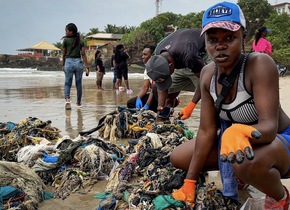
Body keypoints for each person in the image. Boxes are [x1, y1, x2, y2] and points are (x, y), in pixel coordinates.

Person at [170, 2, 290, 209]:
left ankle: (280, 196)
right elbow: (207, 131)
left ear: (243, 36)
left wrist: (237, 131)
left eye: (229, 38)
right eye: (213, 40)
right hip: (246, 145)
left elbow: (269, 128)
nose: (220, 46)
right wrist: (189, 181)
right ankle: (242, 173)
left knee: (243, 162)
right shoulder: (208, 74)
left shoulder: (259, 65)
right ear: (205, 43)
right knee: (178, 158)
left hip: (279, 142)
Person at [145, 28, 209, 120]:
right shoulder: (157, 54)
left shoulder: (189, 56)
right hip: (179, 60)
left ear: (171, 66)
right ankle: (166, 116)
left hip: (201, 56)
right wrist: (160, 106)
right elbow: (161, 87)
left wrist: (191, 105)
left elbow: (204, 81)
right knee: (159, 91)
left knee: (210, 93)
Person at [62, 23, 89, 110]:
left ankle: (67, 100)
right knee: (78, 84)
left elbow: (64, 54)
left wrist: (63, 65)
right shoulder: (80, 41)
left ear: (71, 32)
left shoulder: (65, 41)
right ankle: (78, 103)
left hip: (68, 62)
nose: (65, 32)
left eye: (67, 31)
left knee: (67, 83)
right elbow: (83, 55)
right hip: (78, 62)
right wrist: (87, 66)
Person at [126, 45, 157, 110]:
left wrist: (147, 105)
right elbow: (145, 87)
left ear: (152, 55)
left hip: (163, 97)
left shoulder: (159, 68)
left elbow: (155, 89)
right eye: (142, 54)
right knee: (130, 103)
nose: (143, 57)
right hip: (154, 95)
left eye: (145, 55)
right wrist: (138, 98)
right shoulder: (147, 69)